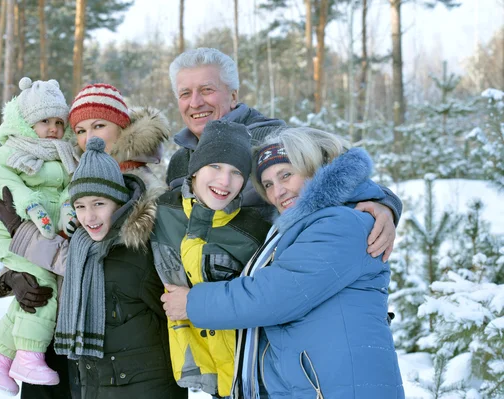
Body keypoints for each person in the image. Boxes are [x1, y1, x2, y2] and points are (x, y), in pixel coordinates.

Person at [161, 127, 405, 399]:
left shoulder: (341, 224)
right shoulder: (303, 226)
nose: (278, 192)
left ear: (313, 167)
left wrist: (192, 303)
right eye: (267, 185)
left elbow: (274, 295)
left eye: (286, 175)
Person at [0, 83, 185, 399]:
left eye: (99, 126)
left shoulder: (140, 187)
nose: (88, 137)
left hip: (116, 344)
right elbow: (45, 231)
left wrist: (23, 237)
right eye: (79, 129)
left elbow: (104, 263)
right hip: (55, 324)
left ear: (122, 128)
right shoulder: (66, 169)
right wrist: (13, 277)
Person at [165, 47, 401, 260]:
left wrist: (384, 205)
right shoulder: (179, 161)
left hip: (270, 285)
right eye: (185, 94)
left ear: (234, 95)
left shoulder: (272, 140)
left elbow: (348, 172)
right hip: (202, 295)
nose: (195, 103)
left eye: (207, 90)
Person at [151, 120, 272, 397]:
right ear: (195, 169)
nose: (224, 181)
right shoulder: (160, 214)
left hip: (252, 374)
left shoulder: (254, 231)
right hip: (200, 373)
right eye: (215, 166)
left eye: (236, 172)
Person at [0, 77, 80, 396]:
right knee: (41, 290)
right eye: (44, 121)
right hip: (15, 234)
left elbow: (67, 190)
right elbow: (9, 187)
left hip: (48, 238)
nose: (52, 129)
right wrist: (30, 205)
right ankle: (29, 357)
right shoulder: (9, 153)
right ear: (25, 122)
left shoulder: (65, 157)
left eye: (59, 122)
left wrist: (67, 211)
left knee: (35, 289)